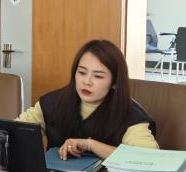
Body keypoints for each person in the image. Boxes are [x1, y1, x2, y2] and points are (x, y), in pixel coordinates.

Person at [17, 39, 158, 160]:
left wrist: (91, 145)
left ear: (114, 82)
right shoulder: (51, 103)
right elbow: (14, 132)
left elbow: (148, 159)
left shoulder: (131, 116)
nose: (87, 82)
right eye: (82, 72)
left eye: (98, 76)